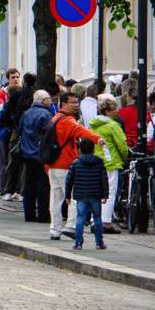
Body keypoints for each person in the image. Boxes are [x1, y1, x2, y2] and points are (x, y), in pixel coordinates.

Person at [45, 94, 102, 240]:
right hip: (65, 164)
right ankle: (70, 226)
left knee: (55, 198)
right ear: (64, 104)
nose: (76, 105)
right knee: (73, 196)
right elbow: (81, 131)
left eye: (77, 102)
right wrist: (97, 139)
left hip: (53, 164)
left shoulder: (54, 118)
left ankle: (54, 230)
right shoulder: (68, 120)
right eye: (73, 102)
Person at [89, 96, 129, 232]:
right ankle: (105, 222)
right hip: (110, 162)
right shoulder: (113, 126)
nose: (116, 111)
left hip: (96, 161)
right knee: (110, 192)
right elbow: (122, 146)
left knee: (97, 192)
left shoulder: (93, 125)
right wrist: (124, 158)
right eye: (113, 109)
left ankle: (94, 220)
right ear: (106, 111)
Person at [16, 90, 55, 224]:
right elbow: (50, 133)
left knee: (29, 184)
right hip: (40, 154)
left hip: (27, 153)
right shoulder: (46, 114)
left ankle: (29, 214)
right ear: (43, 100)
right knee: (43, 186)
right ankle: (43, 215)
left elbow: (20, 130)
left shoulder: (26, 114)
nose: (50, 101)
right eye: (49, 99)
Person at [66, 138, 108, 250]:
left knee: (80, 218)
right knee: (97, 218)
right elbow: (104, 179)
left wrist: (67, 196)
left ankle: (78, 242)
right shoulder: (99, 162)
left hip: (81, 194)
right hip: (95, 194)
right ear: (93, 149)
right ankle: (99, 242)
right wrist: (105, 195)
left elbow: (69, 180)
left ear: (80, 149)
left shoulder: (76, 163)